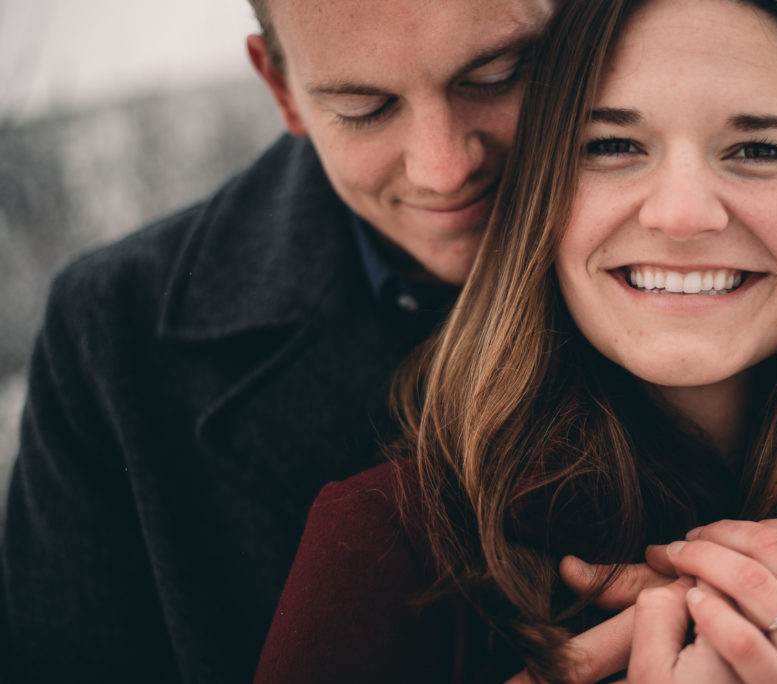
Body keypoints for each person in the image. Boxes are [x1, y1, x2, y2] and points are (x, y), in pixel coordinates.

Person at [254, 0, 777, 682]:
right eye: (612, 146)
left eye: (761, 150)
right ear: (537, 197)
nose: (682, 215)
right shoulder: (390, 545)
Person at [0, 1, 555, 682]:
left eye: (498, 75)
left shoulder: (703, 252)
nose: (443, 167)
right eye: (364, 107)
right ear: (282, 89)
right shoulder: (112, 337)